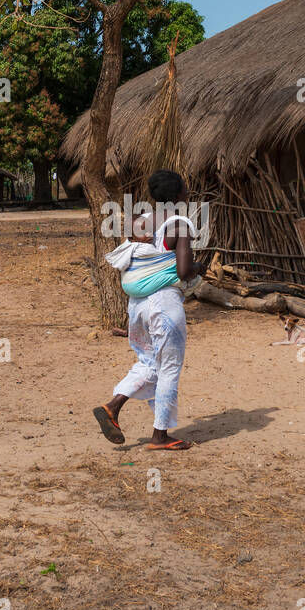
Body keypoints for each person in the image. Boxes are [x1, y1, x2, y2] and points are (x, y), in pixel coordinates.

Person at [93, 170, 207, 451]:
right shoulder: (179, 224)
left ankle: (112, 407)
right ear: (179, 194)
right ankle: (160, 436)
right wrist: (199, 268)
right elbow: (182, 271)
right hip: (164, 304)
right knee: (168, 368)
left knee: (149, 362)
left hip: (138, 306)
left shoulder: (140, 222)